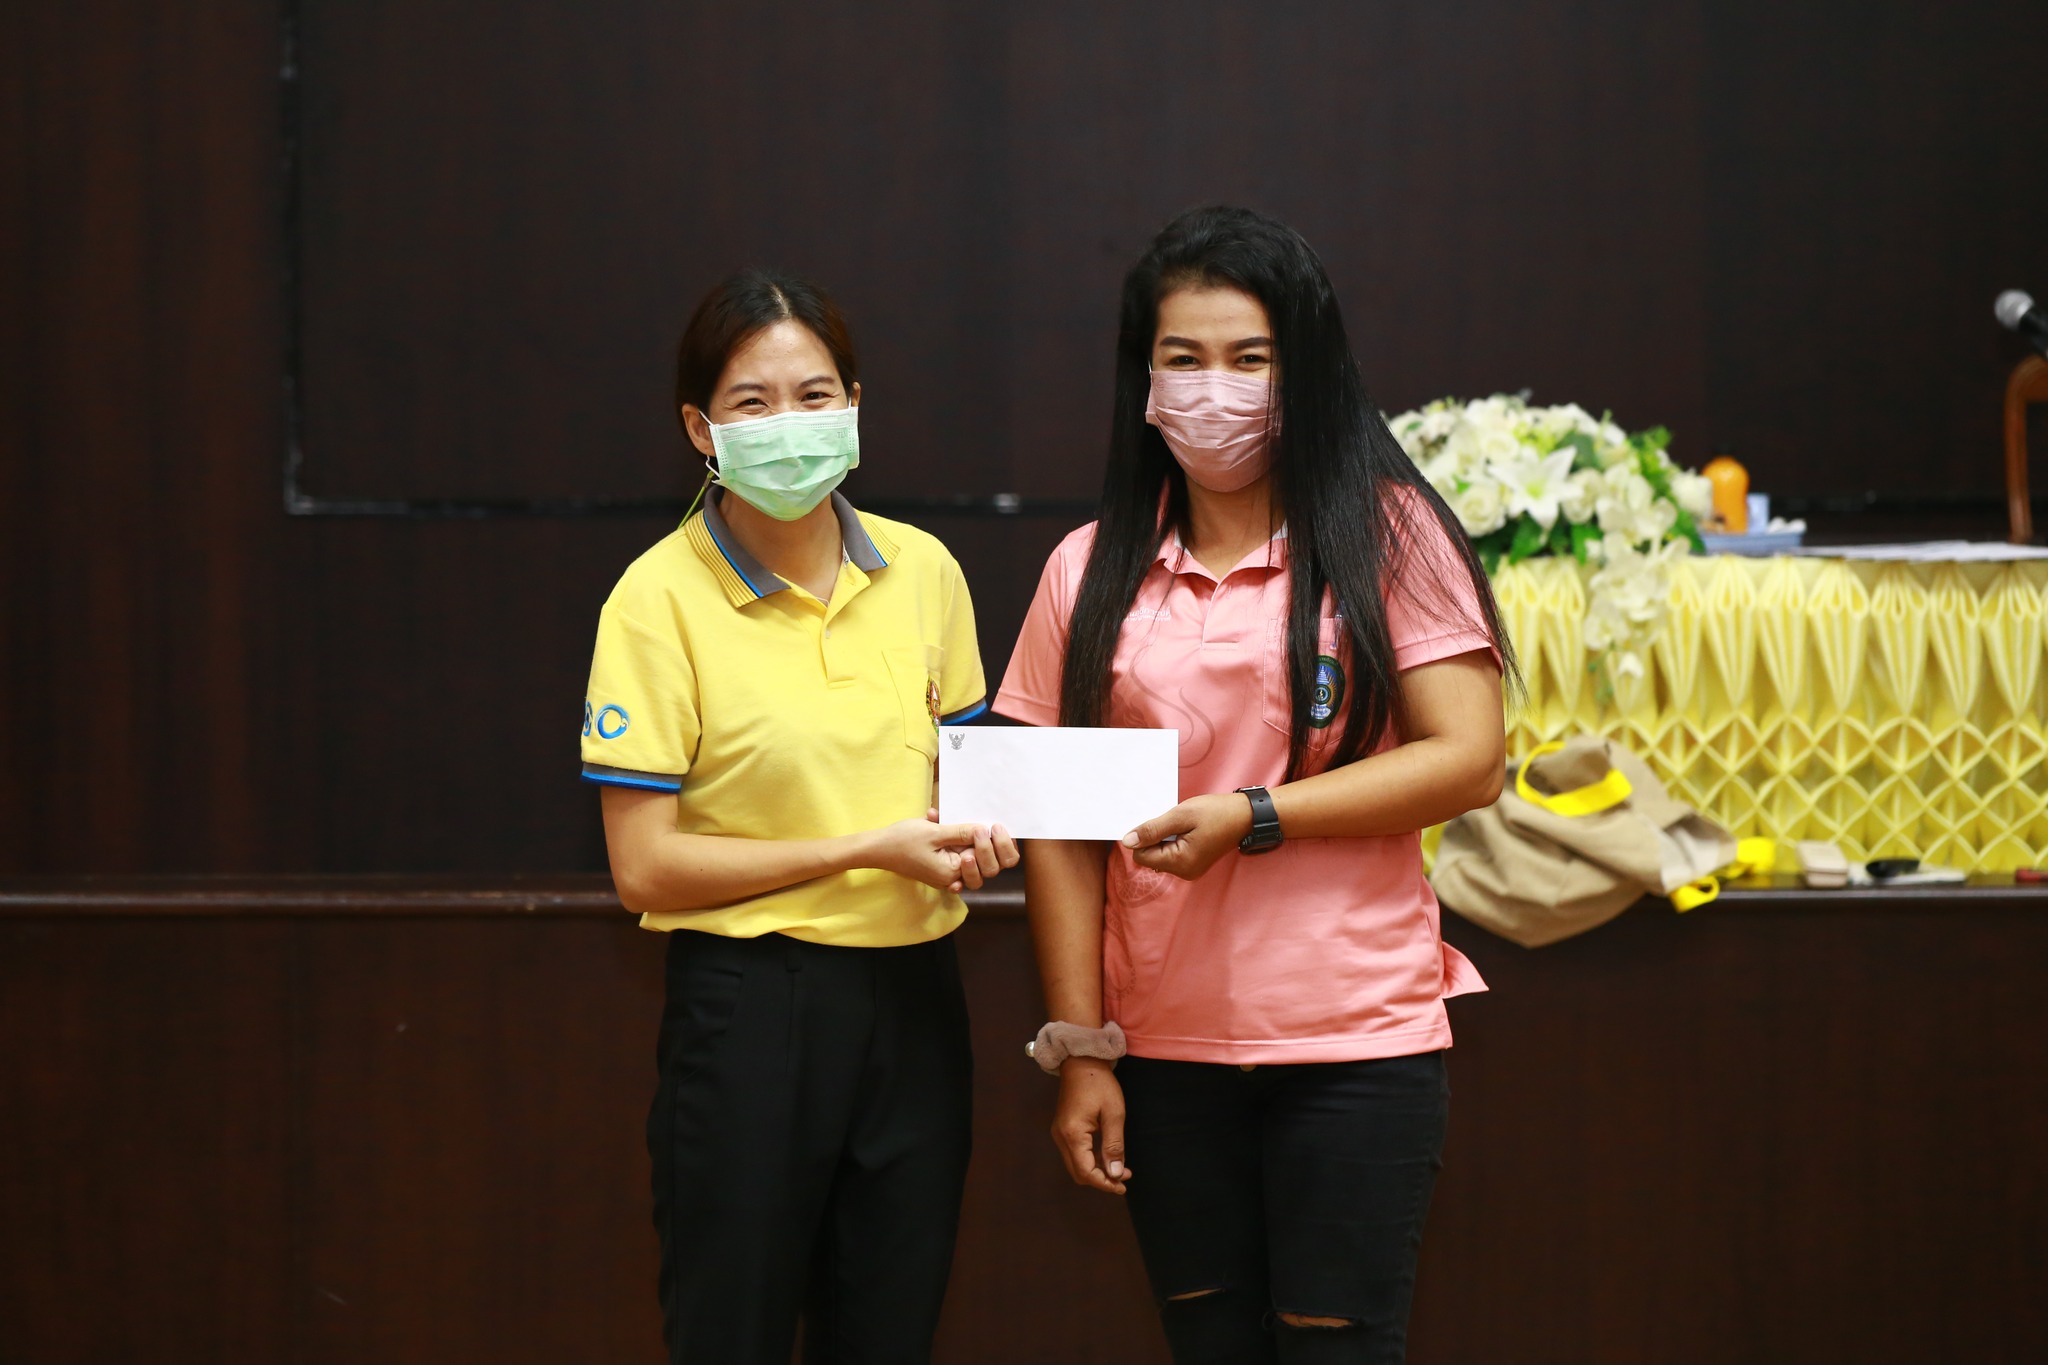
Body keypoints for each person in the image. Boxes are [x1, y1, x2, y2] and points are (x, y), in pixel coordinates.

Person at [995, 206, 1517, 1364]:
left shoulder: (1389, 537)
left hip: (1354, 1043)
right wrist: (1081, 1046)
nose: (1212, 390)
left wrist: (1256, 816)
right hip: (1161, 1052)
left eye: (1249, 359)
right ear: (1141, 376)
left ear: (1303, 371)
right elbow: (1056, 827)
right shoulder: (1085, 567)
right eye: (1181, 358)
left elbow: (1467, 756)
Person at [580, 268, 1017, 1364]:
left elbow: (963, 781)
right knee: (731, 1330)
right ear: (701, 428)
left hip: (916, 1004)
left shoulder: (925, 570)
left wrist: (980, 830)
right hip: (750, 1007)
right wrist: (868, 849)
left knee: (890, 1332)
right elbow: (643, 870)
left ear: (855, 404)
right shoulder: (654, 599)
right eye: (753, 402)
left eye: (815, 395)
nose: (790, 423)